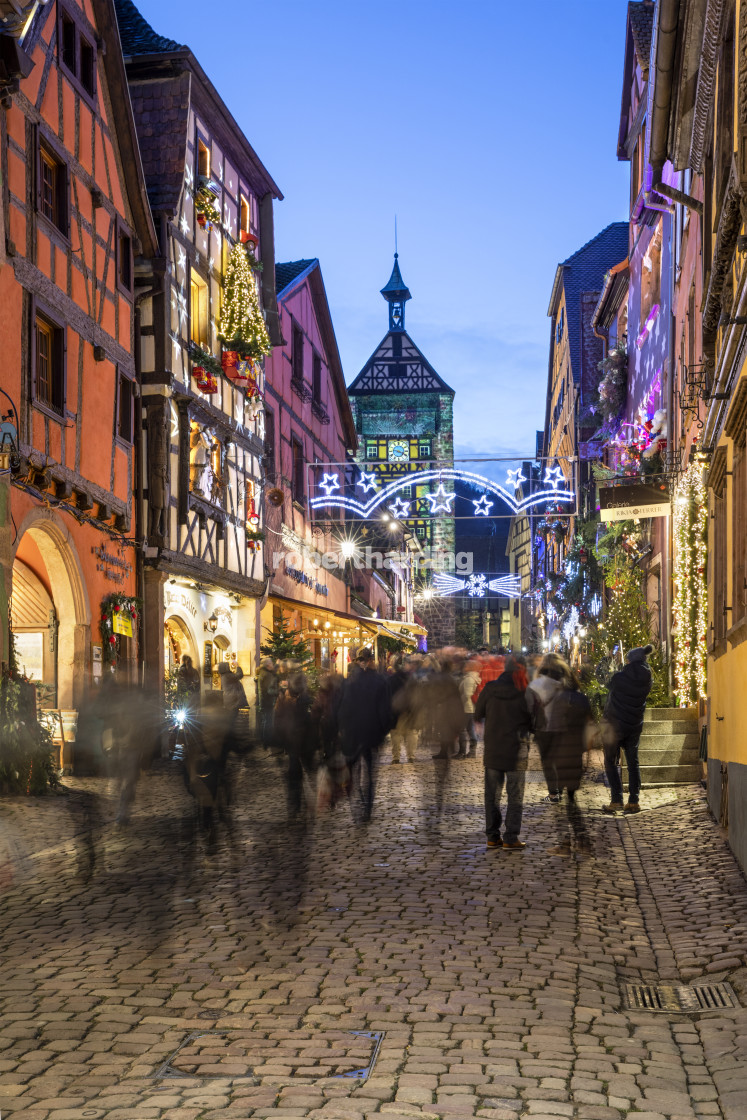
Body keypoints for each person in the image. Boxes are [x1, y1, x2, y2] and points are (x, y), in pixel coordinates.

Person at [475, 654, 532, 850]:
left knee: (492, 795)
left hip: (494, 750)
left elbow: (478, 713)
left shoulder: (490, 689)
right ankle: (510, 837)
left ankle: (492, 836)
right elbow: (535, 722)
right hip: (517, 750)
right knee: (515, 795)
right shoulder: (525, 691)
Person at [337, 648, 392, 821]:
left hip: (353, 734)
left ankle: (356, 806)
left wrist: (341, 729)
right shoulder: (378, 682)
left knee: (353, 772)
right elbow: (385, 710)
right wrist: (383, 731)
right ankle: (367, 808)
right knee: (369, 773)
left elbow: (342, 709)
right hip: (371, 733)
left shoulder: (349, 684)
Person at [602, 644, 654, 814]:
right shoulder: (647, 678)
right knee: (633, 762)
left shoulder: (620, 678)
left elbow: (606, 681)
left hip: (615, 724)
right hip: (634, 725)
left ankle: (616, 799)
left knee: (610, 762)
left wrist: (610, 661)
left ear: (630, 660)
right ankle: (633, 801)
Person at [549, 673, 592, 856]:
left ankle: (565, 842)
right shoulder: (582, 700)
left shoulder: (558, 700)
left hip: (560, 754)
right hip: (576, 753)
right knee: (572, 798)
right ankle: (582, 840)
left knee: (559, 801)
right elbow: (590, 726)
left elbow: (553, 728)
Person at [526, 653, 570, 803]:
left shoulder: (535, 685)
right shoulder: (567, 685)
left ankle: (553, 793)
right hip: (563, 726)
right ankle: (561, 790)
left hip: (543, 728)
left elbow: (529, 708)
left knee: (547, 761)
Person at [388, 657, 418, 763]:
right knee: (411, 733)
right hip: (410, 710)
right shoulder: (412, 679)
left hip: (395, 710)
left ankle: (396, 757)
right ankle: (411, 756)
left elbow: (387, 696)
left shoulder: (390, 680)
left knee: (395, 734)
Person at [457, 657, 481, 758]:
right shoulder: (473, 678)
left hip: (467, 708)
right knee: (470, 729)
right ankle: (471, 752)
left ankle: (463, 751)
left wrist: (460, 703)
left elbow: (467, 694)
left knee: (463, 730)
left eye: (467, 666)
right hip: (471, 708)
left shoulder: (469, 679)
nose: (464, 667)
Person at [256, 658, 279, 746]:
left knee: (265, 720)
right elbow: (269, 690)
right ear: (268, 665)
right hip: (268, 701)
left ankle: (264, 739)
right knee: (268, 721)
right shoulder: (267, 675)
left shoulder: (263, 672)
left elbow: (273, 672)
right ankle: (267, 741)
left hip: (263, 701)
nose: (272, 665)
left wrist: (276, 665)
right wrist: (279, 691)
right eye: (271, 663)